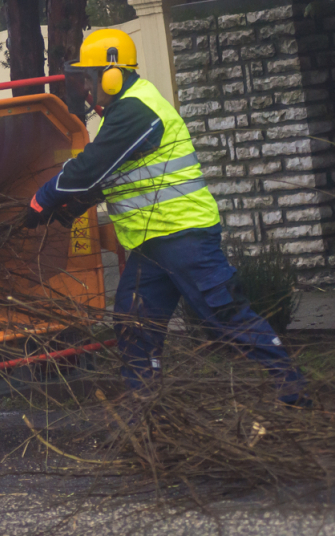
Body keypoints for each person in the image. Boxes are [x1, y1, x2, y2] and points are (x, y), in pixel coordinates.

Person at [24, 29, 308, 405]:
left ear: (112, 74)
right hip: (152, 246)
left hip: (184, 237)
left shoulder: (138, 108)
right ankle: (148, 414)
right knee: (133, 326)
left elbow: (90, 167)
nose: (87, 91)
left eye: (89, 80)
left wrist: (44, 197)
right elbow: (117, 174)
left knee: (225, 316)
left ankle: (294, 392)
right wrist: (75, 205)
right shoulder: (122, 116)